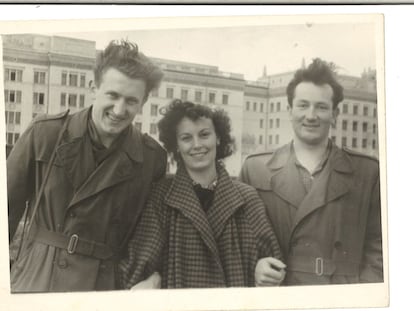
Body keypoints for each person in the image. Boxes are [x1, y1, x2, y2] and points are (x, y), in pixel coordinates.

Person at [7, 40, 167, 292]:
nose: (119, 110)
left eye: (131, 101)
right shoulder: (45, 134)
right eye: (112, 95)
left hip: (102, 288)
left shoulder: (151, 158)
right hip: (37, 281)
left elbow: (152, 235)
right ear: (93, 88)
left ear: (144, 101)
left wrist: (153, 277)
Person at [240, 59, 383, 285]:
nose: (311, 115)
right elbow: (241, 241)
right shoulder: (255, 169)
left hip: (341, 296)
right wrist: (255, 267)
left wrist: (362, 296)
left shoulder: (368, 172)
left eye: (322, 107)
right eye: (303, 105)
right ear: (289, 110)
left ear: (335, 114)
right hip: (281, 294)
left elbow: (379, 249)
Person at [118, 100, 286, 289]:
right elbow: (138, 266)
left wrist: (263, 270)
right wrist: (151, 280)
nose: (197, 145)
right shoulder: (161, 196)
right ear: (177, 146)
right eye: (186, 138)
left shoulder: (247, 197)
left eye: (204, 134)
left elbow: (273, 261)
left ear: (219, 138)